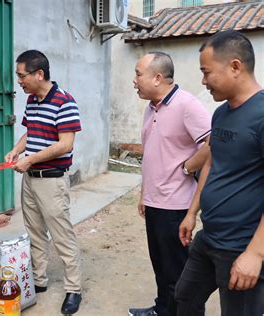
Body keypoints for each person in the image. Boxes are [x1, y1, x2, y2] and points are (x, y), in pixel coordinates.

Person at [175, 30, 264, 316]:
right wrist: (192, 212)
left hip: (241, 245)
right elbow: (212, 162)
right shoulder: (221, 113)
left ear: (235, 67)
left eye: (206, 72)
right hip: (210, 236)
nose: (203, 81)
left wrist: (255, 253)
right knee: (185, 297)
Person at [129, 52, 211, 316]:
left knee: (178, 271)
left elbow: (211, 144)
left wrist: (188, 167)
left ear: (157, 77)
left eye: (138, 74)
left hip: (175, 205)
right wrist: (144, 193)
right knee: (161, 266)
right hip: (154, 201)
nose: (135, 80)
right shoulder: (151, 107)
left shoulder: (187, 105)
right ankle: (161, 309)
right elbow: (152, 153)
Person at [5, 50, 82, 315]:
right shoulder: (32, 100)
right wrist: (17, 150)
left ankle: (74, 289)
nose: (19, 81)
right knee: (35, 232)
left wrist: (30, 159)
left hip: (51, 180)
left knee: (62, 236)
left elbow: (65, 144)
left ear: (39, 74)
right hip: (31, 179)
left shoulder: (64, 102)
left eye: (21, 75)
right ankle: (39, 279)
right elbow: (31, 131)